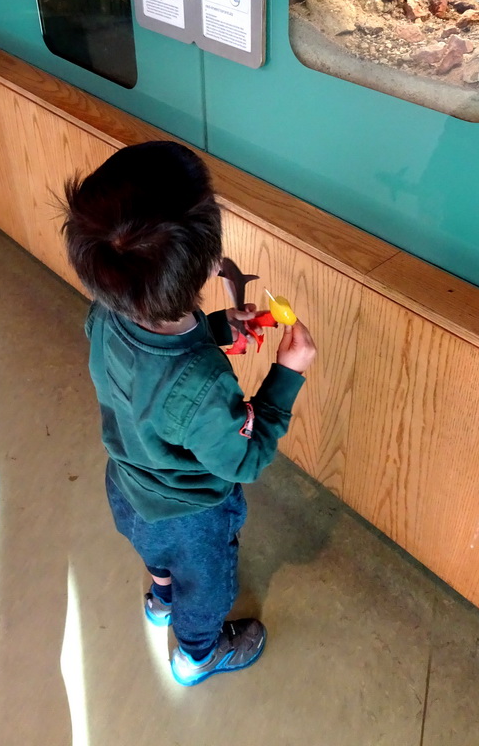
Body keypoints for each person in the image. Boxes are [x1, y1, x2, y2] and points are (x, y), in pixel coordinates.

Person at [62, 141, 316, 686]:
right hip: (192, 516)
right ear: (205, 261)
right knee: (206, 589)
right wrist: (287, 374)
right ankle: (198, 653)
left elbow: (153, 355)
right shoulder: (201, 385)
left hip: (127, 484)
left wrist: (222, 325)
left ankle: (159, 598)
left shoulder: (107, 311)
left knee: (153, 551)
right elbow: (244, 459)